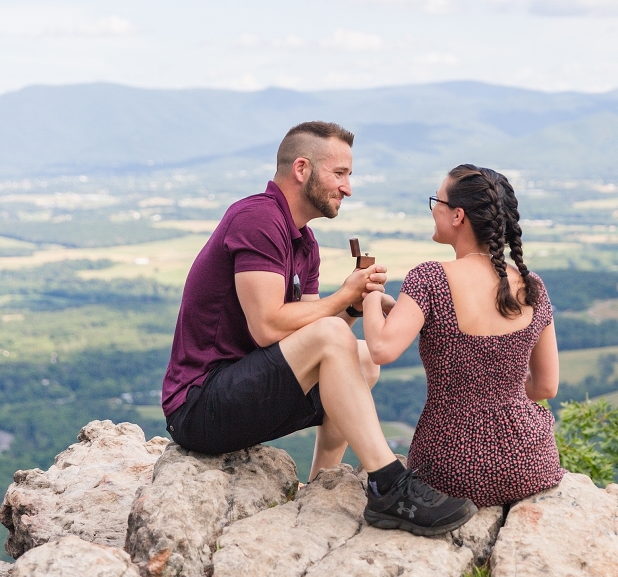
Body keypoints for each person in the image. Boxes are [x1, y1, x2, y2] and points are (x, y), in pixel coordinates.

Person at [162, 121, 477, 536]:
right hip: (199, 406)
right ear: (302, 169)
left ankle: (321, 483)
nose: (348, 188)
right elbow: (268, 327)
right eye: (340, 173)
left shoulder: (303, 242)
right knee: (336, 339)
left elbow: (309, 332)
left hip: (242, 393)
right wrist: (341, 296)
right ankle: (389, 484)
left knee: (362, 357)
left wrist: (355, 304)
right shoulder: (257, 218)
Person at [362, 163, 564, 509]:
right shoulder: (533, 287)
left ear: (457, 215)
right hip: (529, 462)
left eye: (436, 202)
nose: (433, 211)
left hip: (449, 467)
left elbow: (380, 349)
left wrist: (367, 294)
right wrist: (500, 393)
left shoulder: (429, 279)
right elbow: (546, 387)